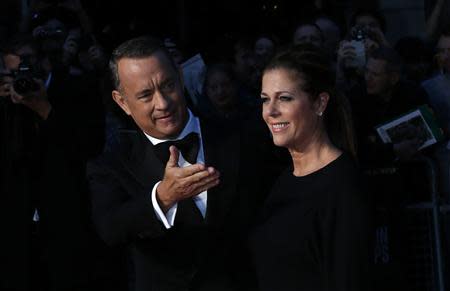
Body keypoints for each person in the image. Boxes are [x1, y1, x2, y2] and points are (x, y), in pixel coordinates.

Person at [87, 36, 281, 291]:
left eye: (168, 86)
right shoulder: (111, 162)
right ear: (122, 102)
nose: (163, 103)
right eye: (145, 95)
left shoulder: (242, 137)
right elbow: (111, 228)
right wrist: (163, 198)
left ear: (180, 75)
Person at [248, 44, 370, 291]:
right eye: (265, 100)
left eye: (284, 98)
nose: (270, 111)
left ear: (319, 103)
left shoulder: (342, 185)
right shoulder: (284, 179)